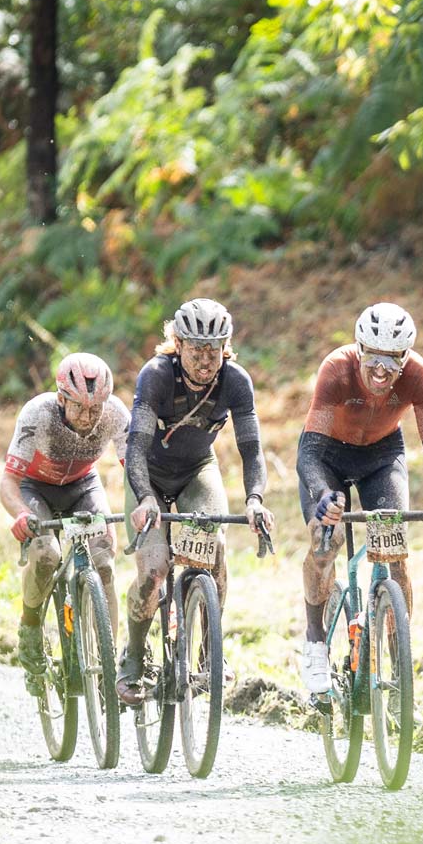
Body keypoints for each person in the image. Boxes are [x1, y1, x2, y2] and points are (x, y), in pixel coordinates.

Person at [293, 301, 423, 696]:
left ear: (405, 356)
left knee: (394, 547)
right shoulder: (336, 369)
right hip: (326, 455)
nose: (382, 371)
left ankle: (399, 661)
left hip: (382, 457)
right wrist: (323, 495)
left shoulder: (418, 374)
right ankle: (315, 641)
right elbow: (309, 453)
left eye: (392, 361)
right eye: (374, 360)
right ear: (360, 350)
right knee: (326, 540)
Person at [119, 297, 274, 701]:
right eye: (195, 350)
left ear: (225, 348)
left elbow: (251, 450)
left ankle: (209, 655)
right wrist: (144, 498)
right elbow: (135, 447)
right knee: (154, 572)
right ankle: (133, 656)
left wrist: (255, 498)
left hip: (195, 470)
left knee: (214, 546)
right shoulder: (156, 376)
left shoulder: (236, 382)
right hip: (148, 477)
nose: (205, 361)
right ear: (178, 344)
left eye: (214, 350)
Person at [3, 351, 129, 694]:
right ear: (61, 399)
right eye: (79, 408)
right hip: (35, 489)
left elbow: (135, 470)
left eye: (95, 408)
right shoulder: (37, 414)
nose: (88, 417)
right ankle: (30, 625)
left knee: (104, 560)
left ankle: (107, 659)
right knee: (46, 556)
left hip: (83, 486)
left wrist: (146, 502)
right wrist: (21, 513)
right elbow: (8, 483)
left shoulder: (115, 413)